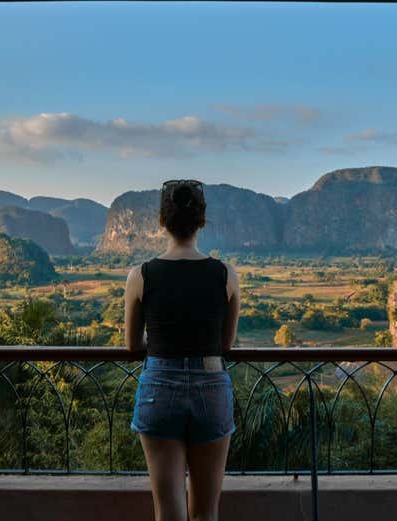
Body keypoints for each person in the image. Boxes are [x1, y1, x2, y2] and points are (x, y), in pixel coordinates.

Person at [125, 179, 240, 521]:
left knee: (168, 512)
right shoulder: (225, 274)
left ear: (163, 222)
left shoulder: (141, 274)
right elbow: (225, 344)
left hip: (159, 384)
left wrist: (164, 351)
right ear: (201, 222)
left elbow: (133, 345)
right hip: (211, 382)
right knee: (206, 513)